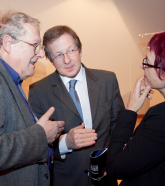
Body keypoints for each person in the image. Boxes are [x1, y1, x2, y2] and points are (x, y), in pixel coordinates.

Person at [0, 10, 65, 186]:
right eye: (35, 45)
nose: (41, 54)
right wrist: (41, 135)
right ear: (8, 43)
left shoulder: (8, 78)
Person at [28, 25, 125, 186]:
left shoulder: (107, 80)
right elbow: (36, 144)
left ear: (80, 50)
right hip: (65, 180)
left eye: (71, 51)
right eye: (58, 55)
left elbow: (118, 127)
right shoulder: (38, 91)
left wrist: (111, 157)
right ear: (51, 60)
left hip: (105, 177)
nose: (67, 60)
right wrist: (65, 143)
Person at [106, 31, 165, 186]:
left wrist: (130, 110)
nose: (142, 66)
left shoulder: (164, 116)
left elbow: (115, 166)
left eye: (147, 63)